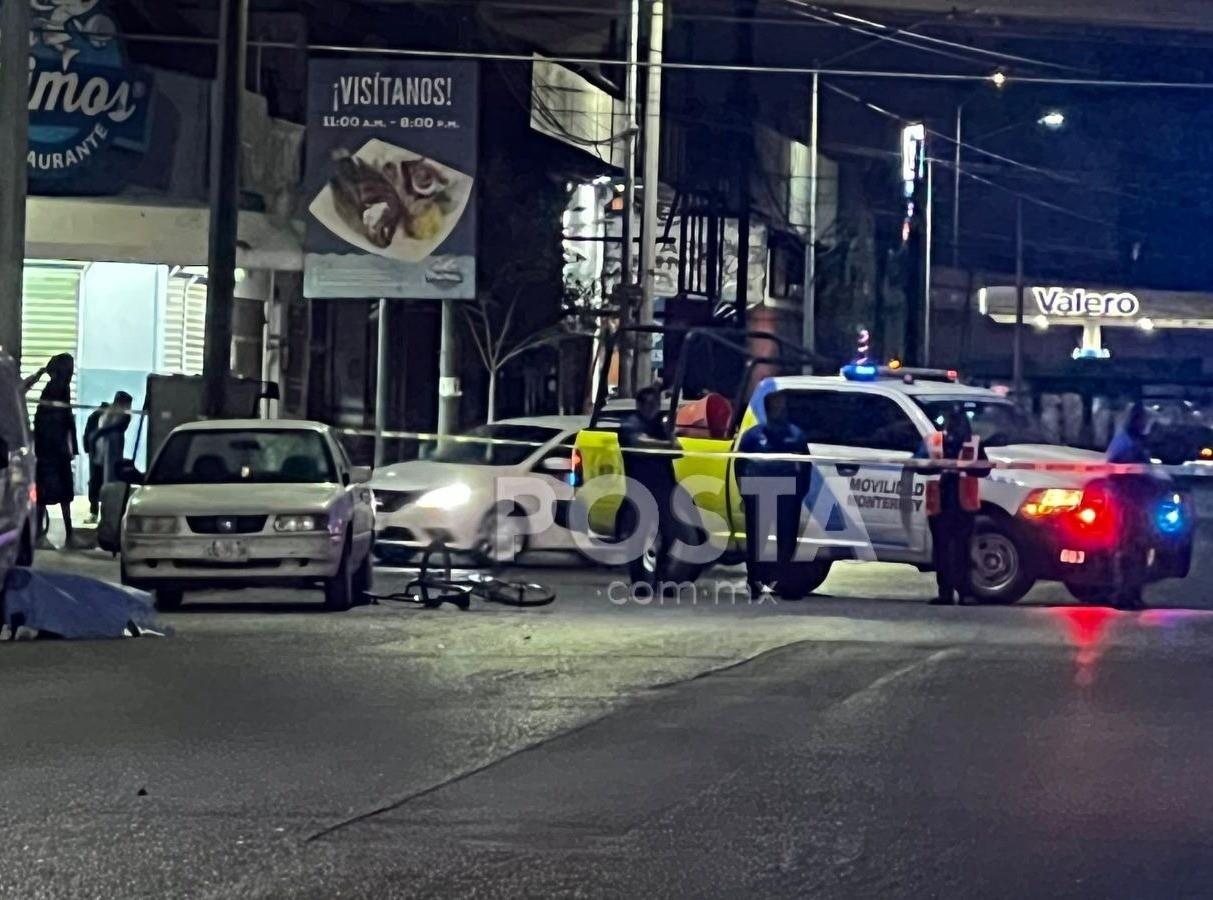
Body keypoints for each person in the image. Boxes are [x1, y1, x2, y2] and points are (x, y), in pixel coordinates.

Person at [736, 391, 809, 594]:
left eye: (782, 406)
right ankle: (755, 581)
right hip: (758, 490)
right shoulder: (753, 436)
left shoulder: (796, 435)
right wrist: (744, 491)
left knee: (786, 540)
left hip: (787, 491)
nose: (780, 410)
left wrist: (799, 492)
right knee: (757, 539)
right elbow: (739, 464)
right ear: (767, 410)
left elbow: (805, 466)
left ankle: (784, 583)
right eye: (776, 406)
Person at [923, 403, 988, 606]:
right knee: (942, 551)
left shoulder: (974, 444)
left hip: (962, 504)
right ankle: (946, 593)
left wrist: (965, 469)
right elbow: (917, 464)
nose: (956, 427)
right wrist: (939, 467)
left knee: (962, 551)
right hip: (940, 502)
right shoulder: (934, 441)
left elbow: (984, 469)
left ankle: (965, 592)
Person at [617, 385, 678, 582]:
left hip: (663, 488)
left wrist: (669, 436)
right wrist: (665, 444)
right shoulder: (630, 424)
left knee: (670, 535)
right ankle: (639, 581)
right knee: (638, 537)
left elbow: (678, 450)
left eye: (657, 404)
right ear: (640, 405)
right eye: (651, 403)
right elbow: (639, 443)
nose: (654, 408)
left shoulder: (659, 427)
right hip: (640, 489)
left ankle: (660, 576)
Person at [32, 354, 81, 550]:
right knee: (47, 493)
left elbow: (67, 419)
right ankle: (40, 533)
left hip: (52, 449)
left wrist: (72, 446)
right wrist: (68, 446)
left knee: (55, 493)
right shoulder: (56, 390)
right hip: (52, 450)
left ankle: (57, 533)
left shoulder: (59, 389)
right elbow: (60, 420)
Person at [84, 391, 133, 522]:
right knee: (96, 483)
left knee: (109, 485)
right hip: (99, 454)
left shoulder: (124, 417)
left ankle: (107, 515)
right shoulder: (104, 414)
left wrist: (98, 434)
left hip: (111, 455)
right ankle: (94, 512)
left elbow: (116, 427)